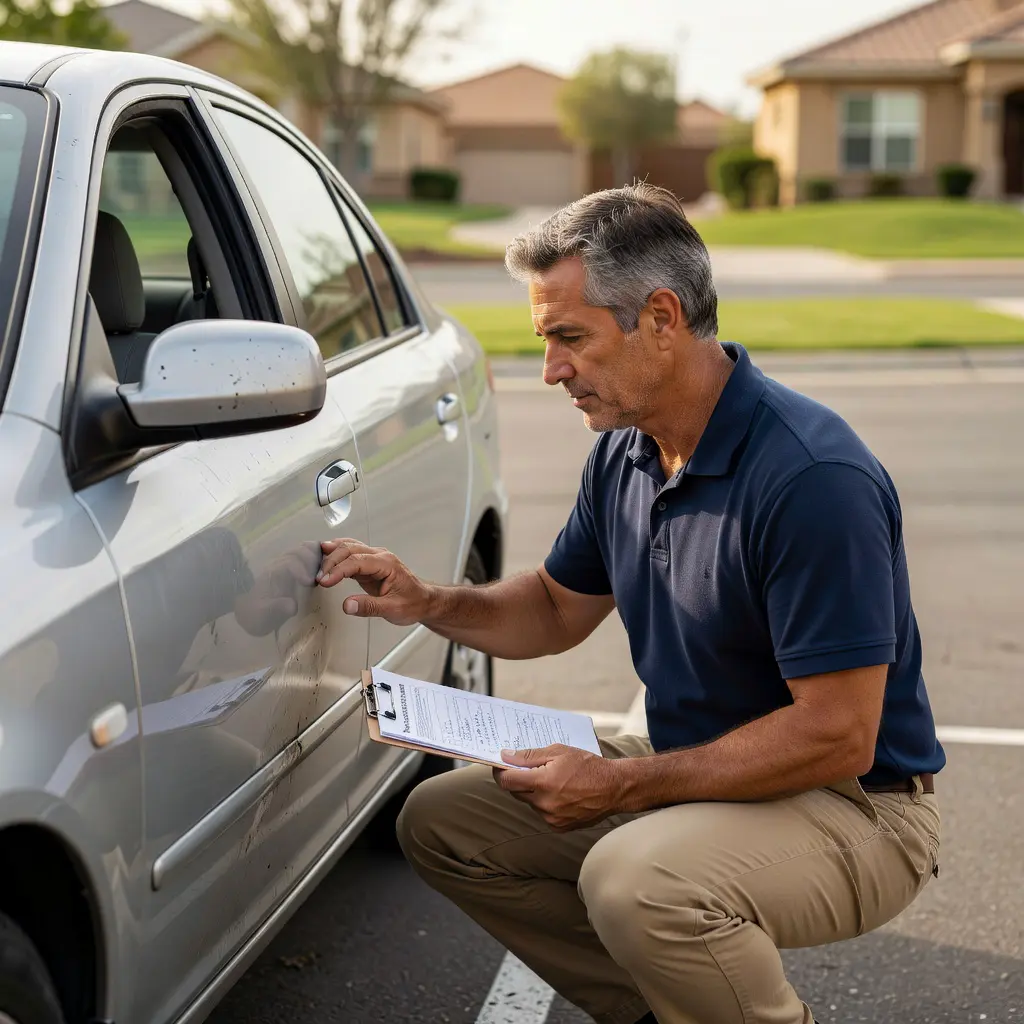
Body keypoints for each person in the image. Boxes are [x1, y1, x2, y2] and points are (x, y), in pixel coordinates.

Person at [316, 183, 945, 1024]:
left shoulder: (811, 479)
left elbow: (838, 733)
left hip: (856, 806)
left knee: (636, 881)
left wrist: (620, 786)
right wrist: (428, 600)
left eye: (570, 338)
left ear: (659, 318)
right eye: (546, 342)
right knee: (442, 821)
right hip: (701, 767)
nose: (552, 371)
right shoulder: (629, 448)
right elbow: (551, 607)